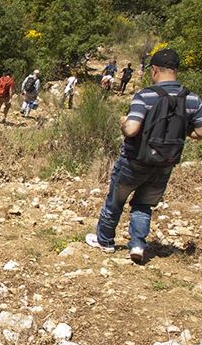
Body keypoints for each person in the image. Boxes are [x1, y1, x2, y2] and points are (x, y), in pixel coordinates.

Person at [86, 49, 202, 264]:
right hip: (165, 163)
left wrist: (123, 121)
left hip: (134, 161)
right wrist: (179, 130)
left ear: (155, 69)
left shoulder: (146, 95)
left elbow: (131, 129)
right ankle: (138, 244)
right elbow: (200, 132)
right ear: (176, 70)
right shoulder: (192, 99)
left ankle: (105, 241)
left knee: (115, 201)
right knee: (143, 205)